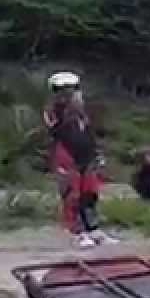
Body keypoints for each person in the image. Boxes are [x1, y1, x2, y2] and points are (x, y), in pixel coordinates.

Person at [43, 71, 116, 249]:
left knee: (90, 194)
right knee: (72, 195)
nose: (70, 93)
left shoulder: (82, 111)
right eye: (64, 90)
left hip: (86, 155)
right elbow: (56, 129)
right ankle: (77, 232)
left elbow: (88, 134)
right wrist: (69, 110)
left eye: (72, 89)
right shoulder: (52, 110)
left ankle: (93, 229)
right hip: (66, 155)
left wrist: (97, 154)